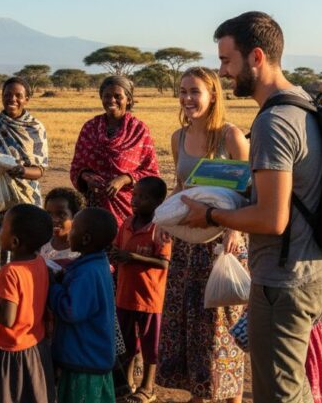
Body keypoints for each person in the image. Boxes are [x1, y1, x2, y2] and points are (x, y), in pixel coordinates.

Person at [181, 12, 322, 403]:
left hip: (284, 278)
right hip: (310, 266)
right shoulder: (302, 104)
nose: (222, 70)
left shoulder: (273, 122)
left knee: (278, 391)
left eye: (227, 60)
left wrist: (212, 215)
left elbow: (271, 218)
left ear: (256, 57)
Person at [158, 67, 250, 403]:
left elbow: (250, 191)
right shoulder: (177, 138)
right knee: (190, 320)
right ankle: (200, 393)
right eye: (182, 91)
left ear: (212, 95)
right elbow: (182, 186)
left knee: (219, 325)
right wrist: (164, 220)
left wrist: (236, 229)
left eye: (195, 91)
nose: (187, 99)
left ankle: (229, 395)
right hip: (187, 244)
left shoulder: (231, 137)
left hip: (223, 243)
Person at [0, 204, 56, 403]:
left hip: (6, 350)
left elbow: (7, 318)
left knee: (4, 394)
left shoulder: (10, 272)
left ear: (15, 242)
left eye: (3, 227)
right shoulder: (40, 262)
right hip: (31, 345)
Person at [0, 77, 49, 286]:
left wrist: (19, 170)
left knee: (23, 261)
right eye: (7, 95)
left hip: (25, 203)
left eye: (18, 96)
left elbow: (40, 170)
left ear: (27, 99)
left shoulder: (36, 129)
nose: (12, 99)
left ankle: (18, 312)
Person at [50, 208, 120, 403]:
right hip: (91, 357)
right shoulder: (94, 263)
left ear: (86, 238)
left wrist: (53, 288)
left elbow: (71, 310)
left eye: (74, 230)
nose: (69, 234)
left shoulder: (88, 272)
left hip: (84, 360)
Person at [111, 176, 171, 403]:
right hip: (125, 294)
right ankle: (127, 383)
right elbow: (117, 248)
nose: (135, 200)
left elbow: (164, 263)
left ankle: (148, 385)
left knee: (149, 344)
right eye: (134, 195)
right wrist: (115, 255)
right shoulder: (126, 223)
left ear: (158, 201)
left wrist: (132, 257)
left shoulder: (160, 228)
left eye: (143, 197)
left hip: (149, 297)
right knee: (125, 343)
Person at [70, 76, 159, 224]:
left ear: (128, 100)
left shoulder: (139, 130)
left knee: (124, 244)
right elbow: (76, 167)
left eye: (118, 96)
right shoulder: (90, 127)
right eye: (107, 96)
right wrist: (86, 177)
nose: (111, 100)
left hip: (128, 207)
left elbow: (152, 173)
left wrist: (124, 179)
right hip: (94, 207)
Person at [39, 187, 85, 268]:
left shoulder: (81, 253)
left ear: (75, 216)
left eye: (61, 214)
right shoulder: (42, 244)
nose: (53, 219)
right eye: (49, 214)